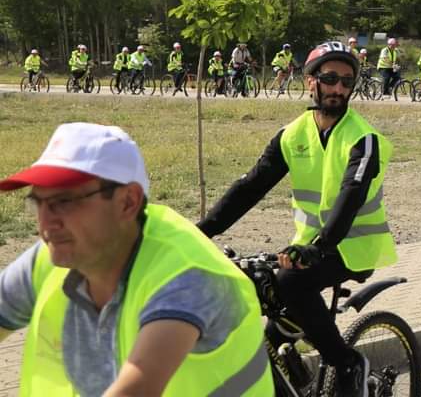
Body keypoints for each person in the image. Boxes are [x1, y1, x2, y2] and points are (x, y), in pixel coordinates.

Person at [0, 122, 272, 395]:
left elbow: (137, 389)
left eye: (65, 202)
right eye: (38, 202)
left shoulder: (188, 276)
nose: (46, 222)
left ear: (128, 202)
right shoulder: (52, 257)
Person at [198, 41, 395, 396]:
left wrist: (317, 247)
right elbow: (250, 187)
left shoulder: (364, 139)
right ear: (310, 81)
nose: (338, 88)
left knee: (289, 282)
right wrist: (200, 232)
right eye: (330, 78)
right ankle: (294, 371)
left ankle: (346, 362)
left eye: (347, 82)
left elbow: (351, 195)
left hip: (352, 248)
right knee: (264, 295)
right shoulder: (293, 134)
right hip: (309, 247)